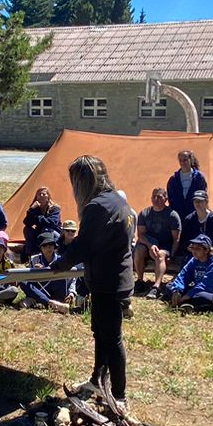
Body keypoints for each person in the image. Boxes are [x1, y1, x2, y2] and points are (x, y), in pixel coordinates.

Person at [57, 155, 135, 406]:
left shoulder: (98, 207)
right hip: (113, 277)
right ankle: (97, 381)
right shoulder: (117, 201)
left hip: (108, 281)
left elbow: (83, 245)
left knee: (111, 338)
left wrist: (59, 265)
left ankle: (119, 396)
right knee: (101, 333)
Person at [135, 187, 182, 295]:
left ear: (165, 199)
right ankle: (140, 281)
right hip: (149, 244)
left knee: (160, 254)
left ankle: (156, 286)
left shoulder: (172, 215)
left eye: (159, 197)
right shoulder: (144, 213)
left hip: (165, 246)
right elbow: (141, 235)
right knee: (139, 250)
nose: (156, 199)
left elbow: (176, 239)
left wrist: (172, 255)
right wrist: (150, 245)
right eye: (154, 196)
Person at [168, 236, 213, 311]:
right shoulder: (194, 260)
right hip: (196, 288)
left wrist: (187, 296)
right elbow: (184, 275)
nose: (194, 251)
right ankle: (187, 304)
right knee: (170, 286)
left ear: (206, 250)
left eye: (198, 249)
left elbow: (207, 285)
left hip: (211, 291)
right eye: (192, 248)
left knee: (200, 295)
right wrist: (178, 290)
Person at [22, 233, 75, 313]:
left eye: (51, 244)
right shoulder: (34, 260)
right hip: (41, 288)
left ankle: (37, 299)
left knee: (61, 277)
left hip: (57, 288)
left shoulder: (61, 260)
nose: (48, 247)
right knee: (22, 281)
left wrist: (72, 293)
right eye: (45, 245)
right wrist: (37, 272)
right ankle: (49, 303)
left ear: (54, 246)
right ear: (40, 248)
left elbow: (72, 277)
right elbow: (30, 279)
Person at [20, 186, 62, 259]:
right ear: (36, 197)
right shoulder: (35, 208)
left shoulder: (55, 208)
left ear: (48, 196)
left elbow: (51, 223)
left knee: (46, 229)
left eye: (44, 194)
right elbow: (27, 223)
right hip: (40, 232)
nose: (41, 196)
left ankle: (53, 254)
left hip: (53, 233)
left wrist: (38, 216)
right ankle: (30, 255)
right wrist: (31, 210)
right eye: (39, 194)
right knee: (27, 229)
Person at [166, 149, 207, 218]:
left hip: (195, 215)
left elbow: (202, 196)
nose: (183, 162)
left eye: (185, 160)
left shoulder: (199, 178)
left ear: (190, 160)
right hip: (178, 216)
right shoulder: (173, 179)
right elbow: (171, 198)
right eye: (180, 160)